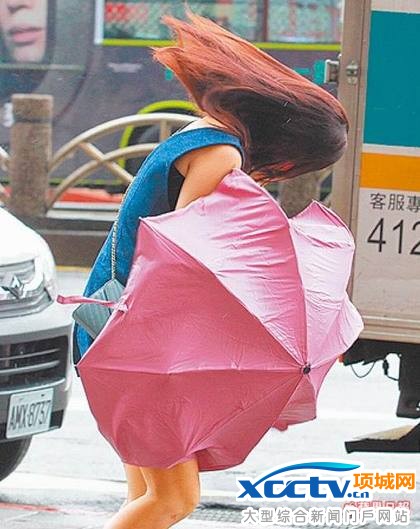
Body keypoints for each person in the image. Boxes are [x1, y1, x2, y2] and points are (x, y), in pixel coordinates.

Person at [73, 7, 349, 529]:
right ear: (288, 151)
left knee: (147, 494)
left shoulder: (204, 133)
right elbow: (190, 261)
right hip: (134, 336)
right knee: (174, 500)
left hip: (114, 320)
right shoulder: (222, 156)